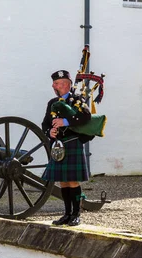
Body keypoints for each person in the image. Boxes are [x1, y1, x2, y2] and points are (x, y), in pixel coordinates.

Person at [42, 70, 92, 226]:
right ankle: (67, 214)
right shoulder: (52, 102)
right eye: (54, 83)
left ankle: (76, 215)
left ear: (66, 84)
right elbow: (45, 124)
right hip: (58, 145)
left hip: (72, 143)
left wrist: (65, 121)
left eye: (57, 83)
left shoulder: (77, 100)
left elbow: (86, 116)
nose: (54, 85)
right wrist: (49, 131)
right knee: (63, 182)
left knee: (72, 181)